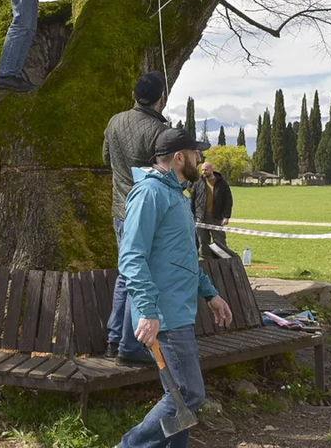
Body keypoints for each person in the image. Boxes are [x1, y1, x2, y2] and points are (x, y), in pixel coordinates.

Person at [117, 128, 233, 448]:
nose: (201, 159)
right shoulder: (150, 193)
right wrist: (149, 310)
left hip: (178, 310)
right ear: (179, 157)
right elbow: (131, 257)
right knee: (188, 394)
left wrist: (210, 294)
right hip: (163, 315)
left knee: (181, 398)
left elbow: (184, 258)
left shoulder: (177, 197)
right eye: (196, 153)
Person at [102, 71, 170, 365]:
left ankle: (113, 338)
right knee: (139, 278)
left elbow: (106, 159)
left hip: (119, 210)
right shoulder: (158, 132)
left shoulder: (114, 121)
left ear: (134, 95)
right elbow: (164, 175)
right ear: (161, 100)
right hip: (144, 214)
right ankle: (129, 347)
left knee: (125, 276)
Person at [190, 162, 236, 260]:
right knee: (203, 242)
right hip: (201, 218)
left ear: (212, 169)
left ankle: (223, 262)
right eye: (202, 170)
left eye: (206, 169)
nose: (204, 172)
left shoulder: (222, 183)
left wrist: (226, 216)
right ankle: (207, 262)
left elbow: (228, 200)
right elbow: (192, 198)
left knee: (219, 242)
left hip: (217, 217)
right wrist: (191, 214)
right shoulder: (198, 182)